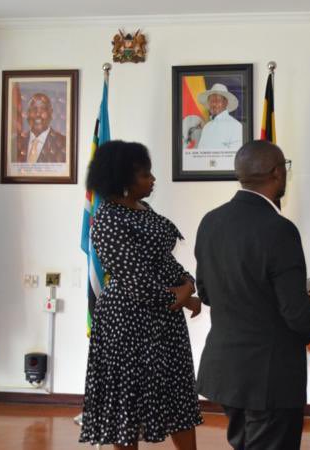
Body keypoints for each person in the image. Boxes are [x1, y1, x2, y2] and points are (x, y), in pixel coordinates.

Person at [195, 140, 310, 450]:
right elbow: (295, 313)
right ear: (277, 173)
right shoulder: (279, 229)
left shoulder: (211, 221)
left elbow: (207, 292)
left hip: (227, 368)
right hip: (270, 375)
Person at [80, 141, 203, 449]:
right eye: (145, 174)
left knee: (178, 397)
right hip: (127, 324)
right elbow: (138, 282)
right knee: (127, 403)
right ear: (122, 179)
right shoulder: (108, 219)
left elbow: (163, 259)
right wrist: (182, 295)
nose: (152, 179)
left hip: (165, 324)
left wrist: (186, 281)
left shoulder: (143, 209)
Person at [15, 92, 66, 162]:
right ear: (28, 113)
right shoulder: (15, 143)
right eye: (34, 109)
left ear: (50, 113)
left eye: (43, 109)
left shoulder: (64, 143)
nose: (38, 113)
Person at [196, 83, 243, 150]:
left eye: (217, 100)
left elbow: (235, 155)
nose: (214, 104)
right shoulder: (207, 127)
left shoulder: (236, 126)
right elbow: (200, 152)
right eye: (211, 101)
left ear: (226, 102)